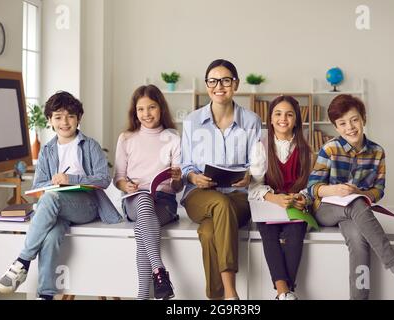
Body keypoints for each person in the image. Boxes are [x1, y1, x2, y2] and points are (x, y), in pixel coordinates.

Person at [0, 91, 122, 300]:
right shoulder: (47, 150)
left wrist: (70, 179)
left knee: (51, 199)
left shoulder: (90, 146)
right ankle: (45, 295)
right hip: (58, 209)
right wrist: (54, 183)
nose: (65, 122)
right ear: (50, 121)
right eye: (58, 117)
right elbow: (39, 185)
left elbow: (103, 179)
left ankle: (22, 262)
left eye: (70, 116)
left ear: (79, 118)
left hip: (86, 206)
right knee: (51, 236)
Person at [305, 94, 394, 299]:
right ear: (336, 127)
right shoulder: (330, 148)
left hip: (356, 210)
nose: (350, 127)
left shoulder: (377, 152)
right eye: (342, 123)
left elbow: (379, 190)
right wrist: (335, 190)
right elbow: (312, 188)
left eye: (354, 120)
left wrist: (361, 193)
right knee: (355, 204)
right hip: (325, 209)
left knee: (359, 239)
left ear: (363, 119)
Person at [181, 59, 261, 300]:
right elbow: (185, 165)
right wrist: (194, 177)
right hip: (199, 196)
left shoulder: (252, 121)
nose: (219, 86)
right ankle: (231, 293)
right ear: (207, 86)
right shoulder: (192, 121)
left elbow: (257, 165)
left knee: (208, 233)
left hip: (239, 198)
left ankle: (216, 298)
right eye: (213, 81)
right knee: (219, 203)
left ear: (235, 84)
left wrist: (249, 176)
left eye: (226, 80)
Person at [114, 84, 182, 300]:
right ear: (135, 112)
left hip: (164, 202)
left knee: (142, 230)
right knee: (143, 199)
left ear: (161, 108)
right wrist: (126, 185)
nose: (146, 114)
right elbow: (118, 178)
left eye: (151, 107)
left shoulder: (173, 138)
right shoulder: (126, 138)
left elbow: (178, 188)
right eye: (141, 109)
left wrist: (177, 179)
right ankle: (159, 271)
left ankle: (142, 296)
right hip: (134, 200)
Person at [249, 95, 311, 300]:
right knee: (268, 234)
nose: (283, 119)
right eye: (278, 114)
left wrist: (303, 197)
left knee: (296, 233)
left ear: (296, 120)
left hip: (294, 206)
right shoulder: (261, 146)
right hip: (268, 204)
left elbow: (312, 185)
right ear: (271, 118)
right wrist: (273, 197)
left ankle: (283, 294)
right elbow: (253, 184)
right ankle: (285, 291)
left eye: (289, 114)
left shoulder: (305, 149)